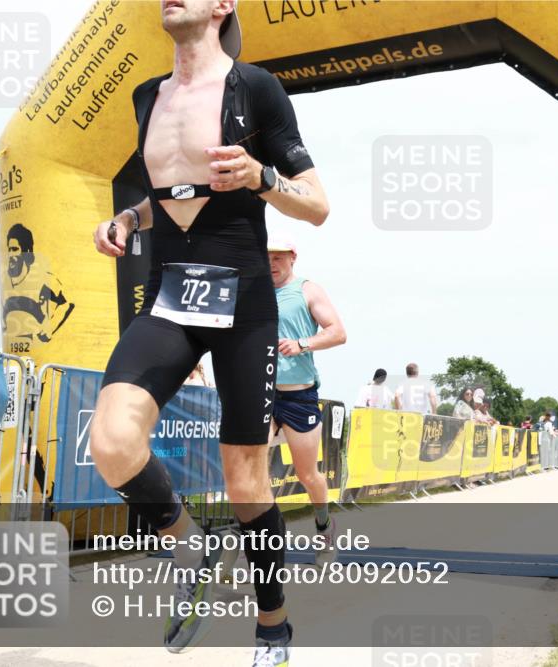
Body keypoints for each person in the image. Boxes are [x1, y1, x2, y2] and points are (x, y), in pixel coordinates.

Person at [89, 1, 329, 662]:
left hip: (244, 294)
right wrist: (130, 221)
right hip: (172, 290)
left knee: (246, 482)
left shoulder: (255, 89)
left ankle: (273, 625)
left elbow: (318, 204)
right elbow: (169, 190)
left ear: (222, 5)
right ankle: (191, 544)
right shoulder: (147, 97)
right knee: (111, 440)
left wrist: (263, 177)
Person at [267, 233, 346, 565]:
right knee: (250, 476)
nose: (271, 264)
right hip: (262, 395)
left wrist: (302, 343)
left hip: (299, 396)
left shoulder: (307, 290)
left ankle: (324, 527)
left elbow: (338, 332)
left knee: (307, 474)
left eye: (278, 258)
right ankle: (258, 539)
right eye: (267, 257)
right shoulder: (253, 291)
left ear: (292, 257)